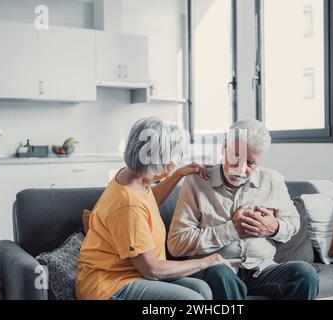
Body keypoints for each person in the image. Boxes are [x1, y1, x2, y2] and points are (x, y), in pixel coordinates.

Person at [76, 117, 234, 300]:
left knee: (202, 290)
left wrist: (178, 174)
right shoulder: (128, 204)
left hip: (133, 274)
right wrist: (208, 260)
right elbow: (153, 270)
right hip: (108, 286)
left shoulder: (132, 177)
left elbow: (149, 201)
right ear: (164, 161)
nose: (178, 160)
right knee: (193, 300)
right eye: (177, 155)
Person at [168, 119, 319, 300]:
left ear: (260, 161)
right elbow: (176, 244)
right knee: (222, 276)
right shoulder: (197, 182)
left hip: (262, 269)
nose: (241, 169)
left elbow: (293, 222)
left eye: (250, 163)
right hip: (216, 270)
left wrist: (275, 227)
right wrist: (231, 230)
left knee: (305, 274)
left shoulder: (272, 180)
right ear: (224, 147)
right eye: (236, 157)